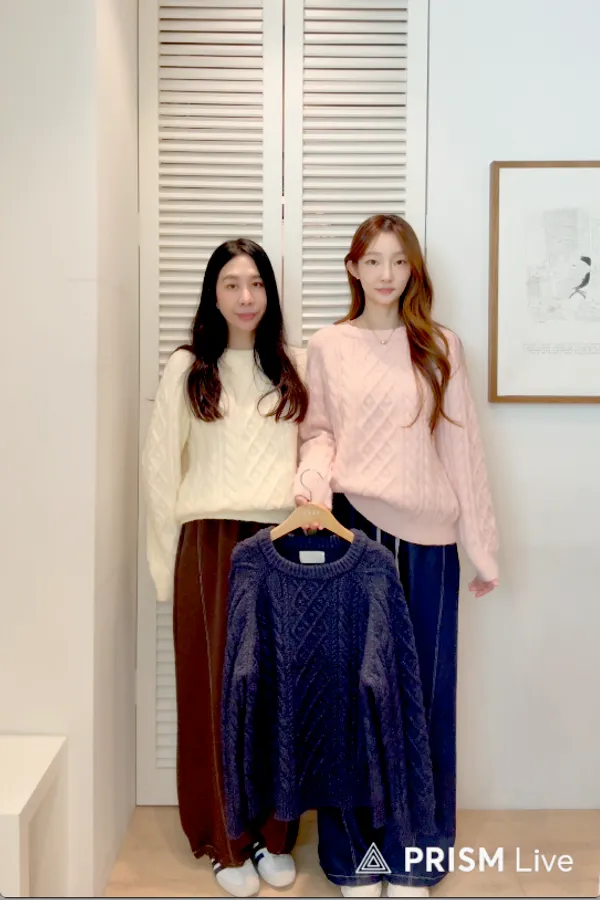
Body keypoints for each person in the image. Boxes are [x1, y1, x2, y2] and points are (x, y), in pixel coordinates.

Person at [293, 214, 499, 898]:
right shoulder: (328, 345)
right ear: (354, 269)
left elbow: (462, 448)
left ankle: (416, 855)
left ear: (414, 270)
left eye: (399, 261)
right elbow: (317, 431)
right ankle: (355, 858)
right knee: (349, 695)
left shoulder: (441, 345)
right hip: (351, 534)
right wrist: (312, 486)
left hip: (430, 543)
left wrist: (482, 547)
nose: (387, 274)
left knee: (425, 701)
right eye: (374, 261)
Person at [142, 238, 308, 898]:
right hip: (209, 544)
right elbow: (161, 472)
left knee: (277, 693)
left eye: (257, 284)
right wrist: (164, 570)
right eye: (232, 284)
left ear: (270, 294)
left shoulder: (291, 366)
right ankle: (223, 839)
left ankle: (272, 834)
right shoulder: (188, 368)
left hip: (281, 543)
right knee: (215, 695)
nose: (246, 297)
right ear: (213, 294)